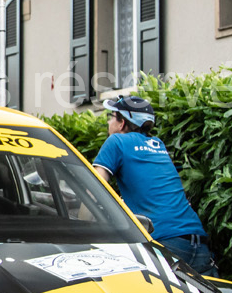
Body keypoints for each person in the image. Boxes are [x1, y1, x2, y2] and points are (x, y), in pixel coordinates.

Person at [91, 95, 219, 278]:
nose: (109, 122)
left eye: (111, 117)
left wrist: (79, 229)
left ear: (122, 123)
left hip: (165, 241)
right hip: (198, 242)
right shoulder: (158, 144)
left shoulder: (116, 141)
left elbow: (95, 188)